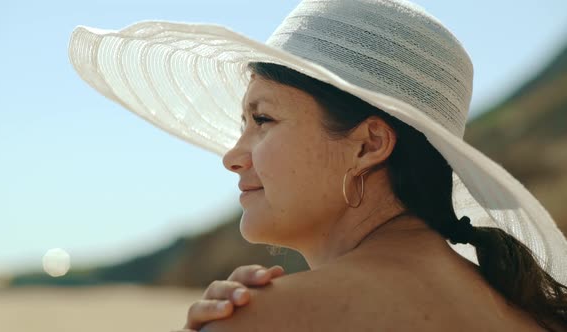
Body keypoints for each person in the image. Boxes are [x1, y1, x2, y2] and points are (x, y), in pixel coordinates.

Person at [68, 0, 567, 330]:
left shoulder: (264, 318)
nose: (232, 155)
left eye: (262, 119)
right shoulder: (525, 314)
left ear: (369, 145)